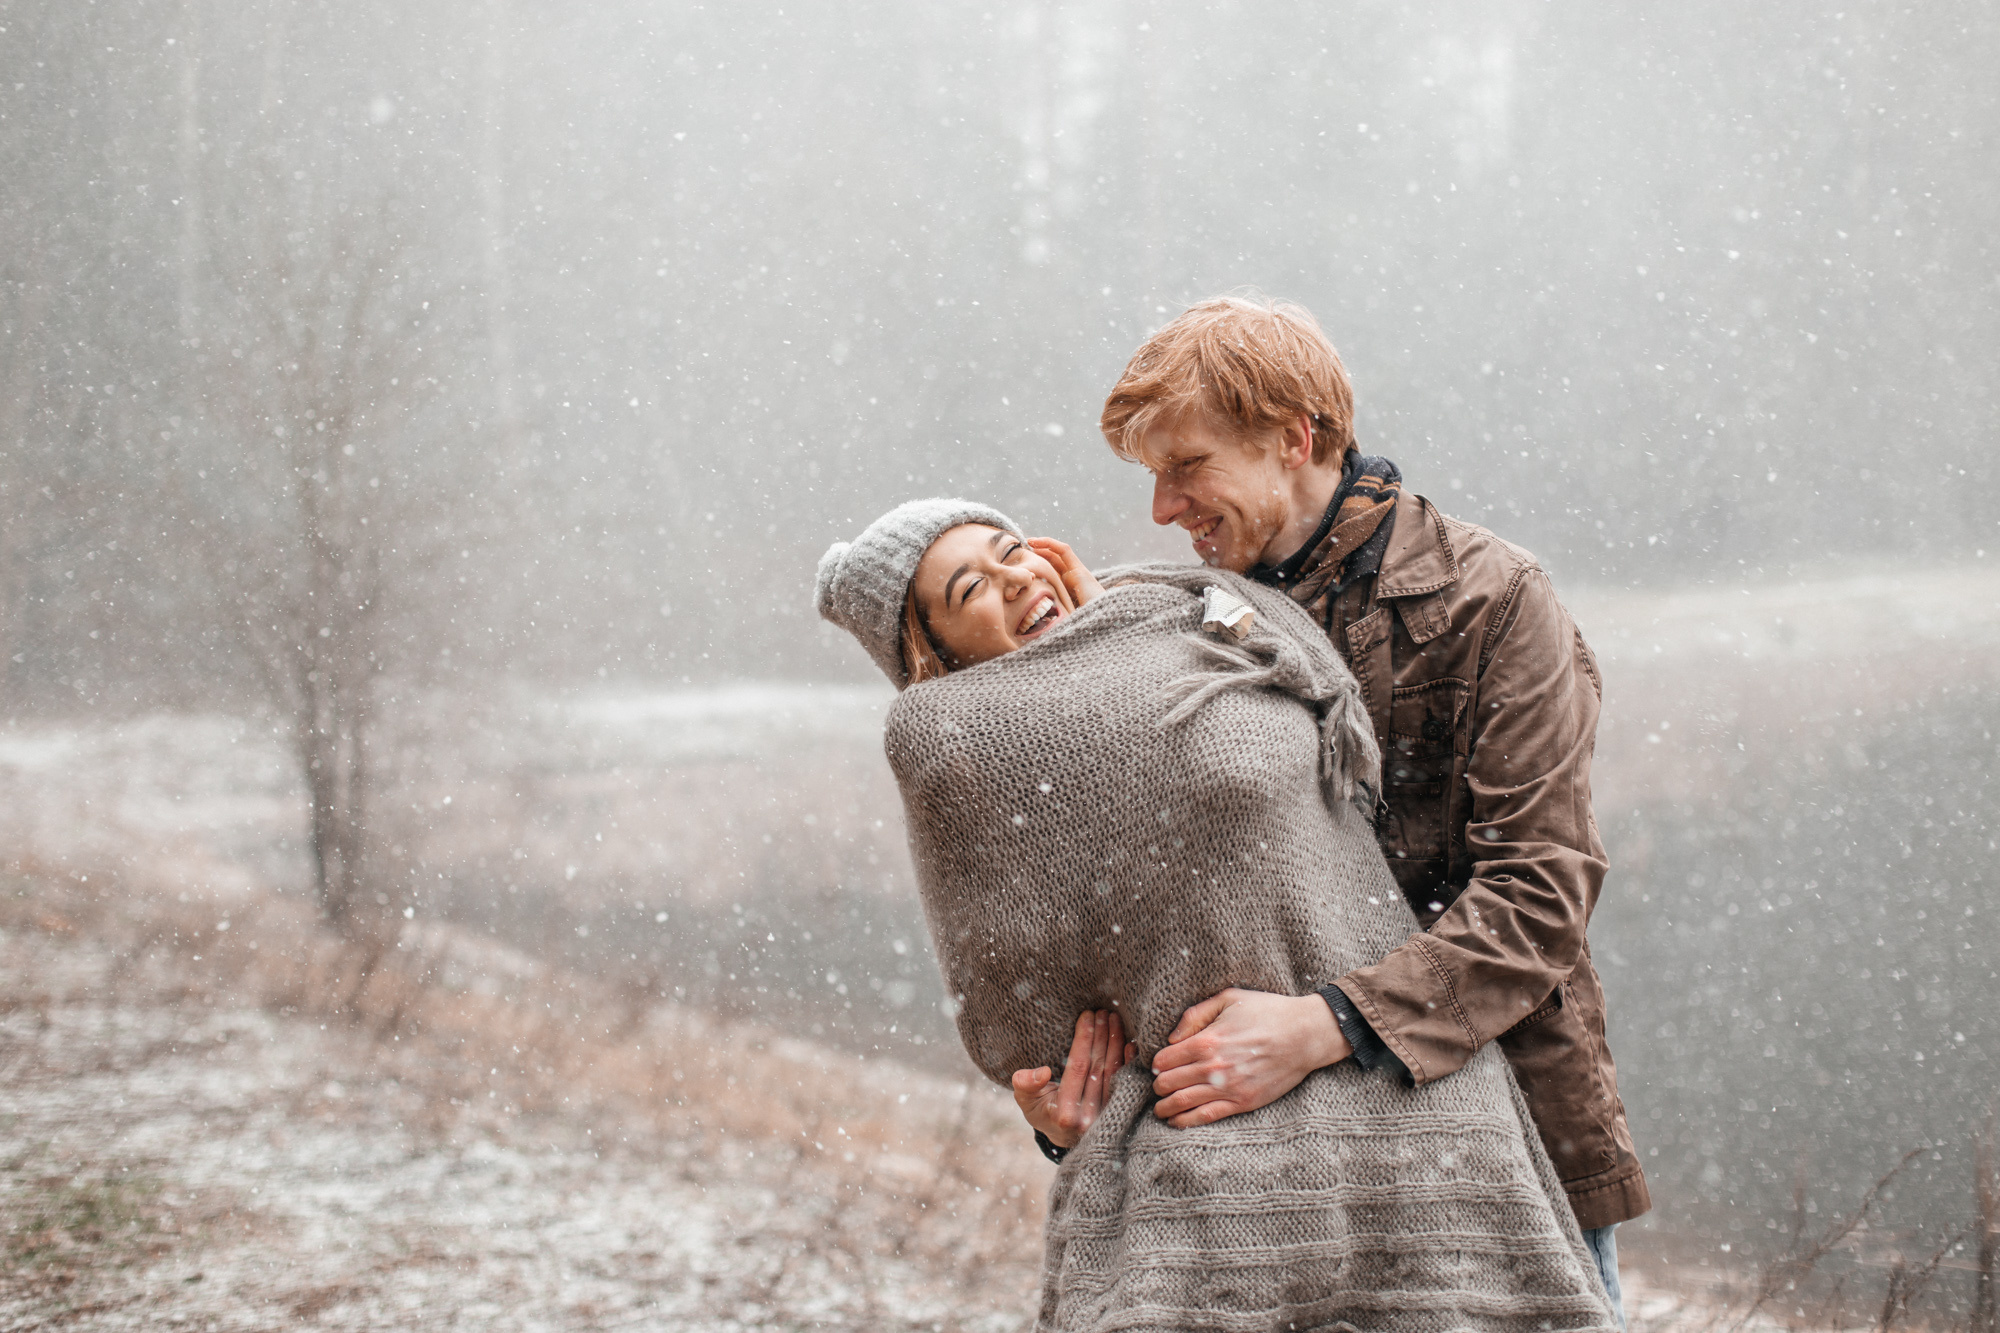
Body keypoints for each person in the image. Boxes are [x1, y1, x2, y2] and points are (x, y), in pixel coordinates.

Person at [813, 498, 1620, 1331]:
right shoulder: (966, 740)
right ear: (931, 650)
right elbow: (1024, 1019)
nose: (1017, 577)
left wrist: (1122, 632)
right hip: (1223, 1164)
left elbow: (1536, 886)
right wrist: (1060, 1107)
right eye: (972, 585)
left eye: (1011, 547)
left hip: (1432, 1102)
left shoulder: (1192, 606)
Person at [1048, 293, 1647, 1322]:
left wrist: (1328, 1024)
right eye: (1150, 477)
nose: (1159, 509)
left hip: (1510, 1159)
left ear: (1292, 438)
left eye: (1184, 466)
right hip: (1267, 1186)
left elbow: (1536, 898)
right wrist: (1070, 1096)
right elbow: (1135, 904)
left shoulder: (1494, 601)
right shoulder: (1181, 626)